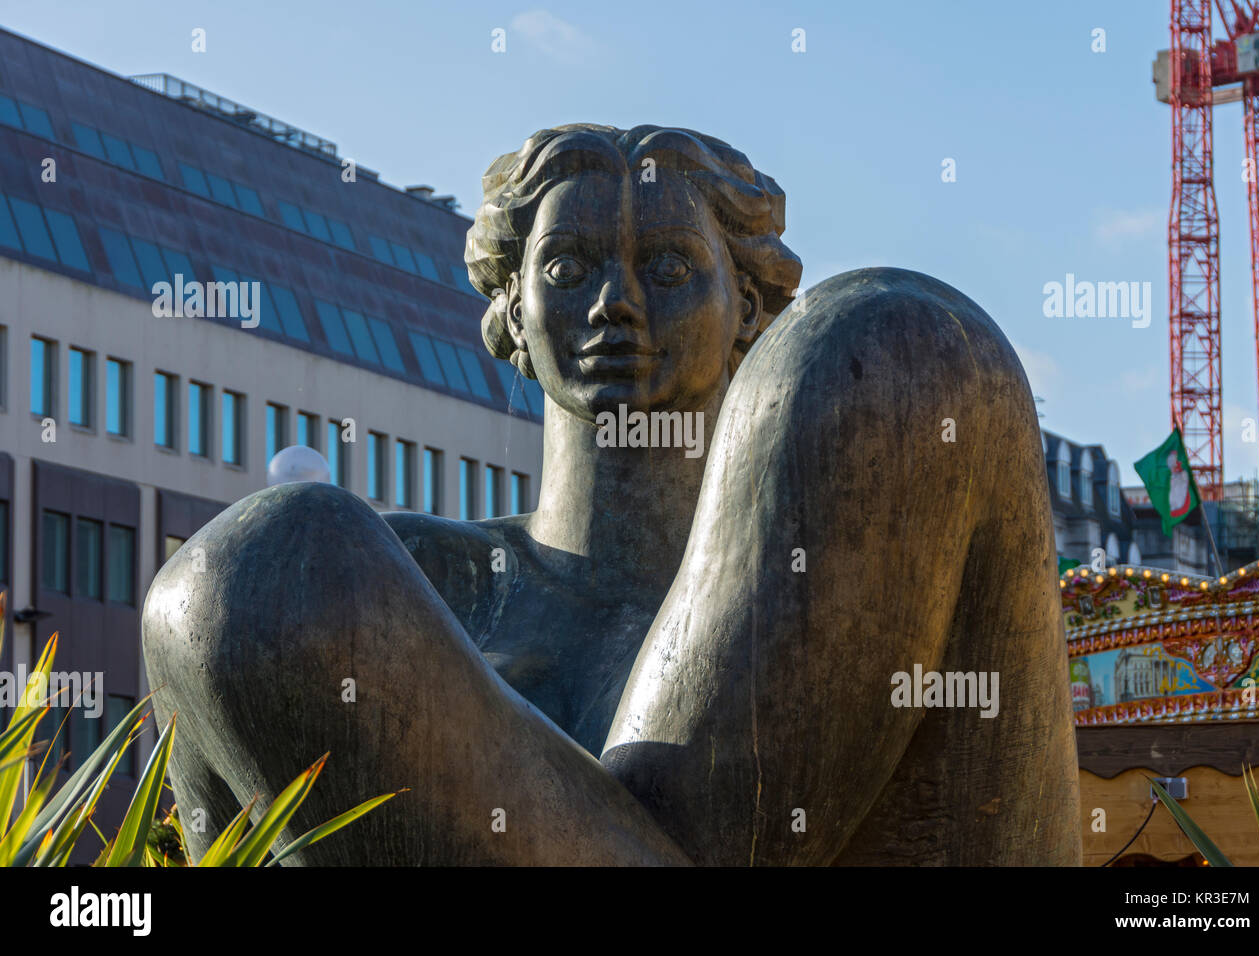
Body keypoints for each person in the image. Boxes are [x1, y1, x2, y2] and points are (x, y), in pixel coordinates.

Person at [142, 124, 1081, 865]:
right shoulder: (413, 584)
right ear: (510, 306)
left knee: (896, 337)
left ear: (750, 308)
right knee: (257, 570)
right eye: (567, 269)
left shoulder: (852, 531)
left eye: (668, 269)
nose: (614, 305)